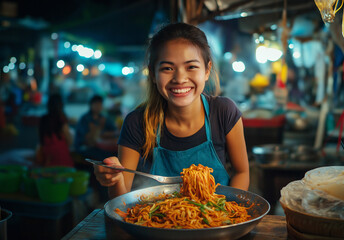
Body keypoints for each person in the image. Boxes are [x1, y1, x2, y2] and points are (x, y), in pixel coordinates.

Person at [94, 22, 249, 199]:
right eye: (167, 68)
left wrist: (228, 212)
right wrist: (114, 178)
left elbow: (242, 172)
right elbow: (120, 202)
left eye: (191, 67)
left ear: (207, 70)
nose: (180, 78)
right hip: (158, 224)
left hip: (218, 220)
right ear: (153, 74)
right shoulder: (137, 122)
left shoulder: (224, 111)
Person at [74, 95, 118, 160]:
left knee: (115, 154)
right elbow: (87, 139)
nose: (98, 107)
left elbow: (114, 130)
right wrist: (99, 128)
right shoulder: (85, 119)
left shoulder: (103, 117)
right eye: (96, 104)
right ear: (91, 105)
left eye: (100, 104)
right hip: (85, 147)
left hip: (100, 145)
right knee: (105, 157)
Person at [38, 93, 74, 167]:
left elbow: (41, 141)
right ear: (61, 105)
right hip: (63, 161)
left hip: (48, 160)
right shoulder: (62, 120)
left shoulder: (43, 120)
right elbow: (70, 141)